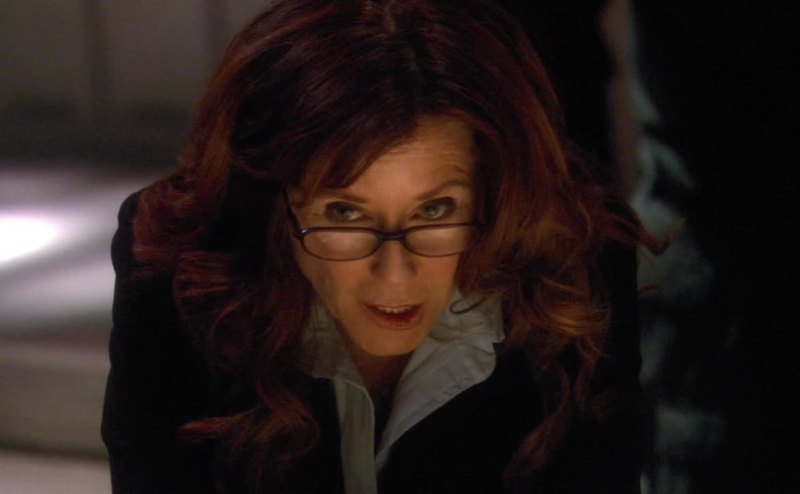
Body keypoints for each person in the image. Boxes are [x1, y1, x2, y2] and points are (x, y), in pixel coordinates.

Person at [101, 1, 652, 492]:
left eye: (435, 210)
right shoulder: (178, 264)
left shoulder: (577, 266)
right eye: (345, 213)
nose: (395, 274)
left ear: (495, 193)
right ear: (273, 201)